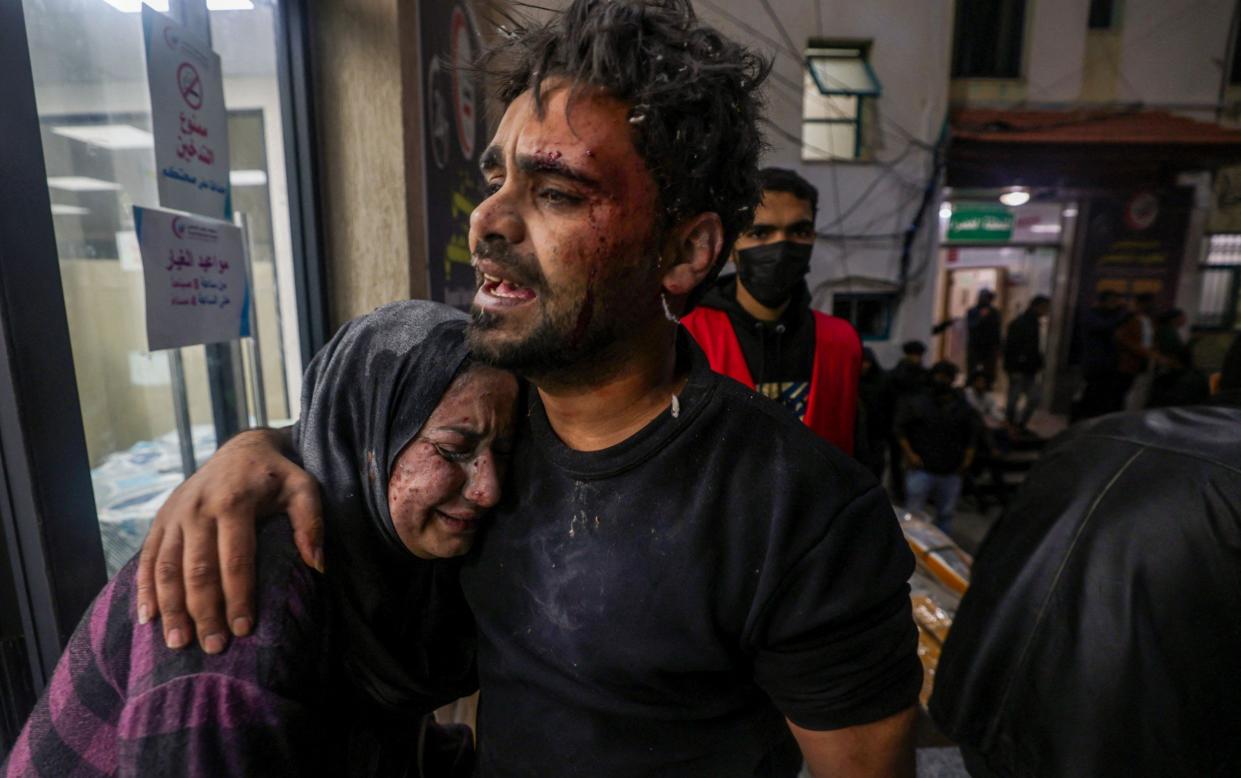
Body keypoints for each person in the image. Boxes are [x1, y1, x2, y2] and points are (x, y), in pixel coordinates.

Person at [134, 3, 922, 776]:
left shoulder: (803, 512)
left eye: (556, 193)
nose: (487, 219)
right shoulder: (485, 430)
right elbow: (362, 441)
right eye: (496, 177)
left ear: (685, 252)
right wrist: (257, 449)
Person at [1, 301, 518, 777]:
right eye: (453, 449)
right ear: (363, 435)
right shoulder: (239, 616)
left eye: (506, 450)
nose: (488, 488)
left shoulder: (391, 564)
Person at [930, 335, 1241, 778]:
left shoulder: (1088, 435)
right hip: (1125, 749)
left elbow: (993, 561)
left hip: (982, 703)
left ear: (1214, 384)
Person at [680, 167, 861, 453]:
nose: (781, 246)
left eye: (798, 231)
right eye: (760, 232)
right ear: (730, 245)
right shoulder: (687, 336)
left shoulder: (841, 342)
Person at [895, 361, 979, 532]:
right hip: (922, 467)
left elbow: (971, 432)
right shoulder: (919, 402)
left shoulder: (961, 405)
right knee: (913, 515)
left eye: (946, 377)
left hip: (950, 468)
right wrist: (910, 454)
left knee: (945, 515)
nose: (942, 381)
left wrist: (967, 458)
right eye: (940, 377)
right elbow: (901, 429)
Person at [1075, 290, 1133, 420]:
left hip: (1110, 365)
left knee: (1107, 399)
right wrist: (1123, 312)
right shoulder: (1091, 315)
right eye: (1112, 301)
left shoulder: (1111, 316)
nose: (1114, 305)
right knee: (1092, 398)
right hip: (1095, 365)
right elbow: (1105, 327)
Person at [1002, 295, 1049, 430]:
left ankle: (1020, 424)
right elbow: (1010, 348)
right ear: (1037, 307)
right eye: (1045, 308)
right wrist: (1014, 368)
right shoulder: (1020, 324)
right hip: (1018, 368)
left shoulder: (1036, 324)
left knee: (1034, 398)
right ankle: (1010, 425)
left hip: (1030, 369)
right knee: (1014, 398)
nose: (1046, 311)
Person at [857, 348, 896, 481]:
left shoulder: (883, 381)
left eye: (867, 362)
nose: (864, 365)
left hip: (876, 434)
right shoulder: (850, 380)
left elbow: (891, 407)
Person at [1120, 292, 1157, 410]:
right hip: (1130, 361)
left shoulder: (1148, 320)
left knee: (1140, 390)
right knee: (1127, 390)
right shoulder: (1128, 319)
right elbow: (1124, 340)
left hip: (1144, 360)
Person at [966, 289, 1002, 385]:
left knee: (989, 373)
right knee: (972, 372)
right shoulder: (972, 311)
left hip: (990, 347)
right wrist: (981, 317)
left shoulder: (995, 312)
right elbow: (971, 326)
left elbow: (997, 330)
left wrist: (999, 347)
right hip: (975, 346)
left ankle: (987, 389)